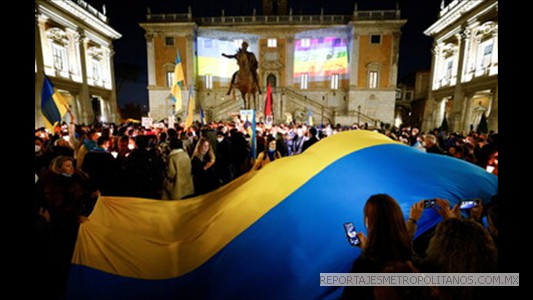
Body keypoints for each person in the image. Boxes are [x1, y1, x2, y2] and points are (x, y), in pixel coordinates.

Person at [342, 194, 414, 300]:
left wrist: (367, 253)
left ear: (368, 222)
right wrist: (367, 248)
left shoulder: (363, 266)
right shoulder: (408, 254)